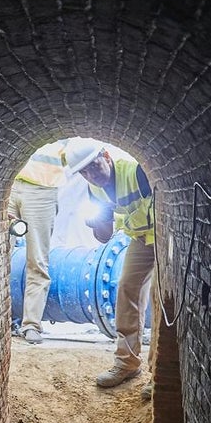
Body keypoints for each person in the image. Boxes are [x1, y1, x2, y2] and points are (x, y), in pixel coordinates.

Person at [64, 141, 156, 390]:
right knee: (127, 289)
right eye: (84, 172)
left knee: (161, 300)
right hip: (140, 239)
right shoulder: (95, 189)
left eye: (93, 167)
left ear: (106, 156)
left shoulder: (137, 172)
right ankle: (127, 362)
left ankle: (160, 374)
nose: (91, 176)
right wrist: (96, 222)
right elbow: (104, 236)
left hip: (163, 235)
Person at [7, 141, 66, 344]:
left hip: (42, 192)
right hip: (10, 185)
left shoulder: (64, 131)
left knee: (37, 261)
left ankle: (31, 325)